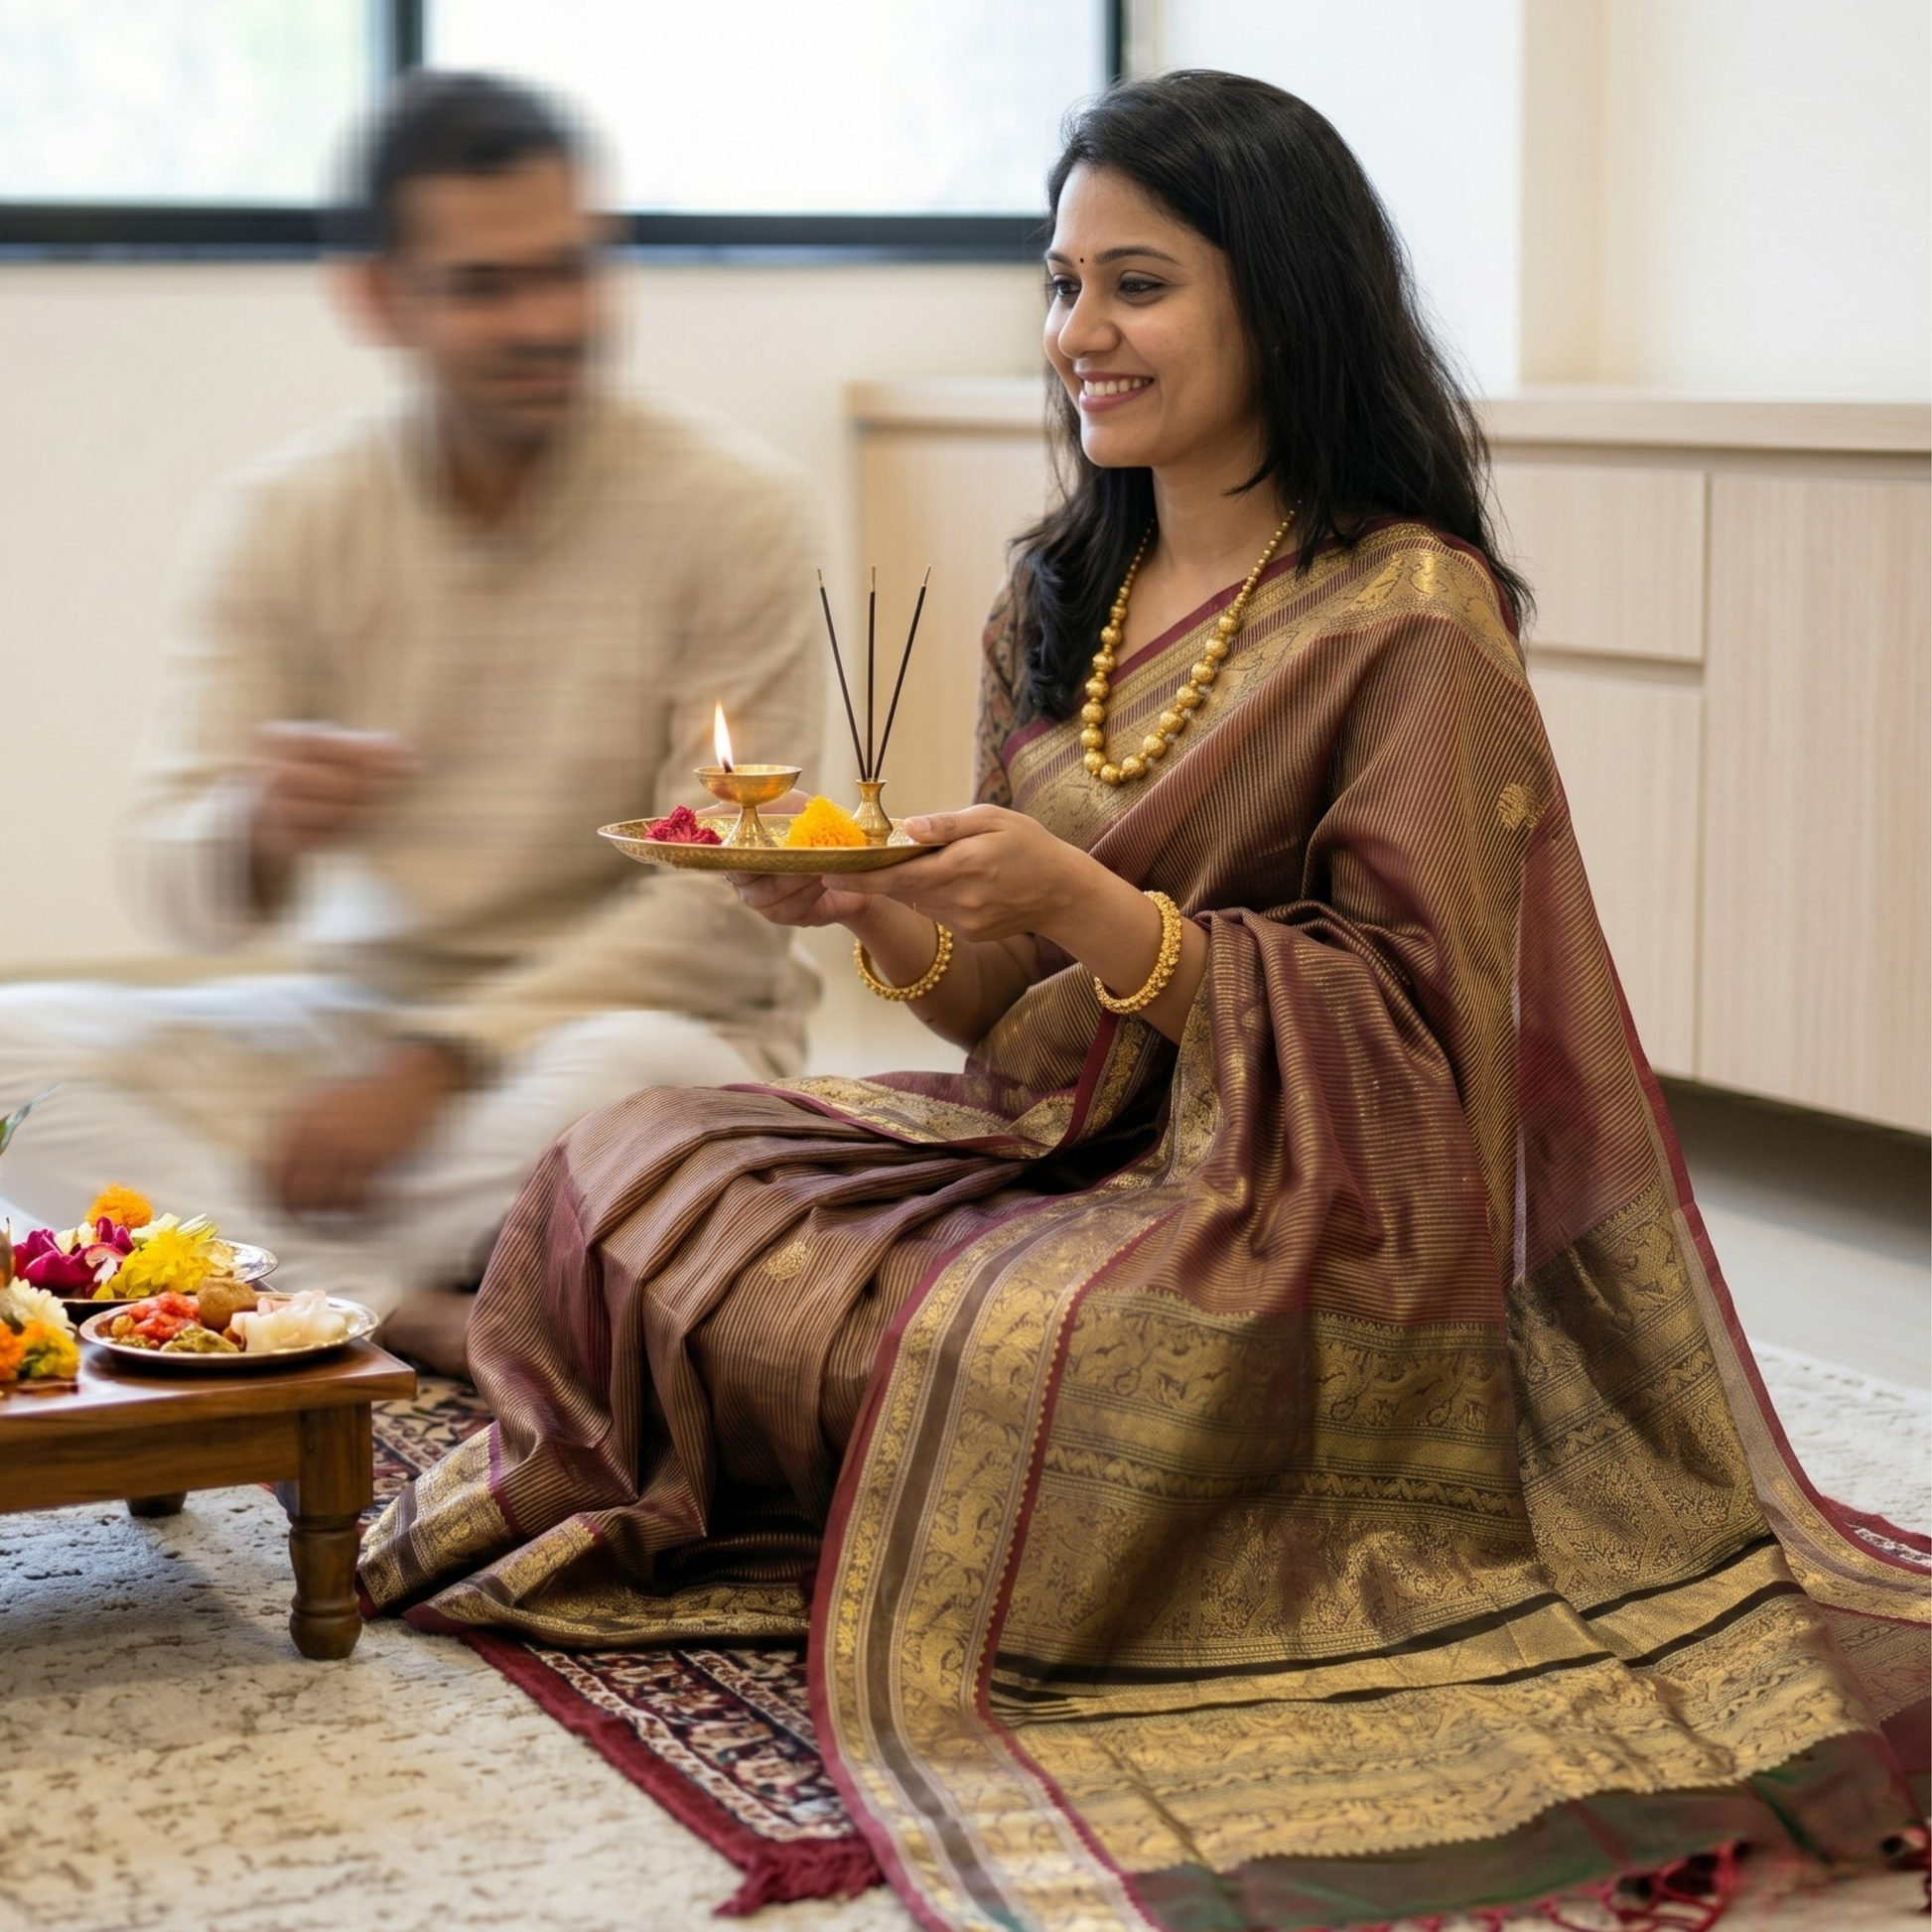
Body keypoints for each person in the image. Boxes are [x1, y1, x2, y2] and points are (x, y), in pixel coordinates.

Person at [359, 71, 1927, 1931]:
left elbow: (1429, 1056)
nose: (1075, 336)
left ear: (1280, 292)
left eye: (1136, 285)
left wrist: (1099, 906)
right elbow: (1000, 1023)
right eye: (1057, 284)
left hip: (1300, 1225)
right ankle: (660, 1366)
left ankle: (662, 1383)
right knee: (639, 1151)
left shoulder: (1403, 618)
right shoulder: (1062, 590)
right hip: (1054, 1145)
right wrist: (866, 907)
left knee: (1011, 1357)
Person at [0, 72, 824, 1379]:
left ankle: (277, 1282)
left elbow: (723, 902)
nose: (547, 320)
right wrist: (255, 826)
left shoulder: (737, 509)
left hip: (604, 1040)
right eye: (487, 285)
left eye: (569, 271)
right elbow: (177, 874)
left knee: (657, 1092)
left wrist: (441, 1061)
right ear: (379, 296)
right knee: (11, 1051)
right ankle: (392, 1300)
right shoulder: (287, 516)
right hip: (352, 1035)